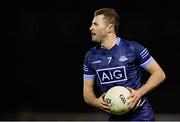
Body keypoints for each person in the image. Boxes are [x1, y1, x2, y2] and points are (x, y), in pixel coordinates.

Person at [83, 8, 166, 121]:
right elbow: (87, 91)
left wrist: (139, 93)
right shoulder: (90, 56)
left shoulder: (132, 48)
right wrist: (95, 101)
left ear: (109, 28)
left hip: (141, 116)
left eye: (95, 24)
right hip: (114, 118)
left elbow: (159, 74)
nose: (90, 28)